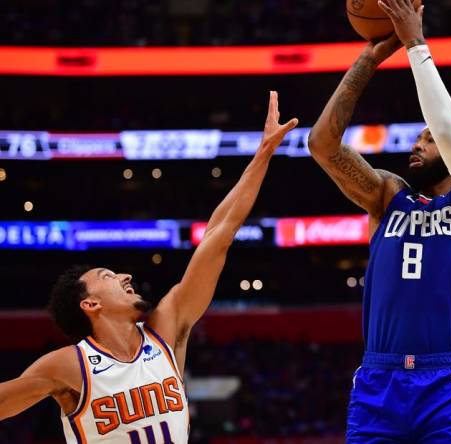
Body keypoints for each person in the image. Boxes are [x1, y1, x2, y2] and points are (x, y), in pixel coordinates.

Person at [0, 92, 298, 444]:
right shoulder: (68, 366)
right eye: (108, 277)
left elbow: (219, 234)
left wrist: (263, 153)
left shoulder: (165, 330)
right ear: (90, 304)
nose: (125, 276)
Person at [307, 0, 451, 440]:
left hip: (446, 383)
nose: (418, 145)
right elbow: (322, 143)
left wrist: (416, 43)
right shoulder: (387, 195)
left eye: (428, 140)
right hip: (379, 380)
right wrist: (369, 58)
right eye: (418, 138)